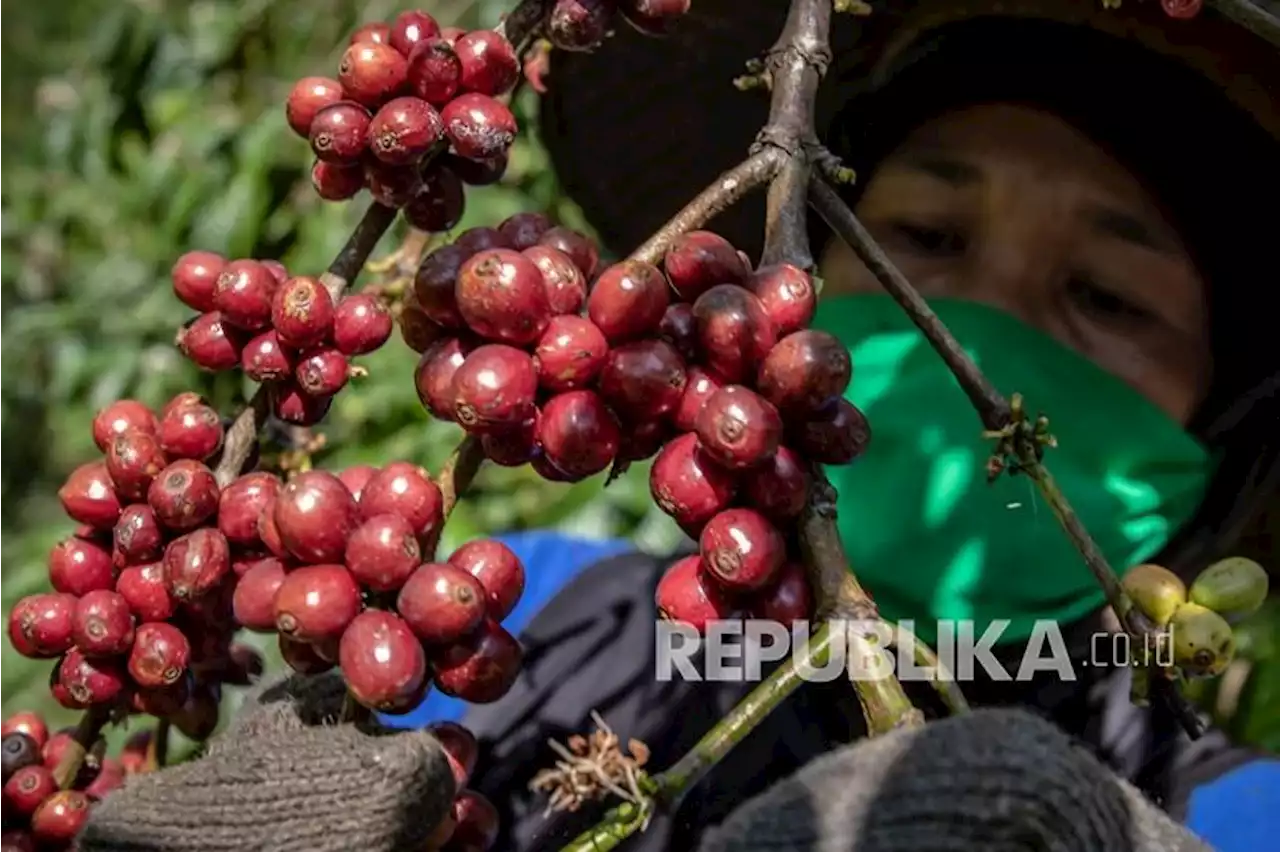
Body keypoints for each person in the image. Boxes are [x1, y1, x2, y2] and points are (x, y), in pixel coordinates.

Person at [380, 2, 1280, 851]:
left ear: (1228, 414)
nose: (964, 327)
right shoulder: (528, 618)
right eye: (925, 236)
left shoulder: (1243, 821)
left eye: (1105, 297)